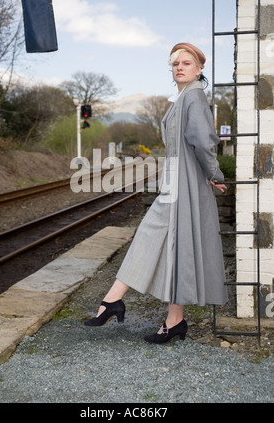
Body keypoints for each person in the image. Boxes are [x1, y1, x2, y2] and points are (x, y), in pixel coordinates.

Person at [84, 42, 228, 343]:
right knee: (179, 247)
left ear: (199, 69)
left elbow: (203, 141)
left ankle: (113, 299)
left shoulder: (195, 98)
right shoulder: (182, 98)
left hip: (185, 184)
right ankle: (173, 320)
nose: (179, 67)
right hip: (176, 181)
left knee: (152, 234)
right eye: (174, 63)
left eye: (186, 63)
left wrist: (214, 173)